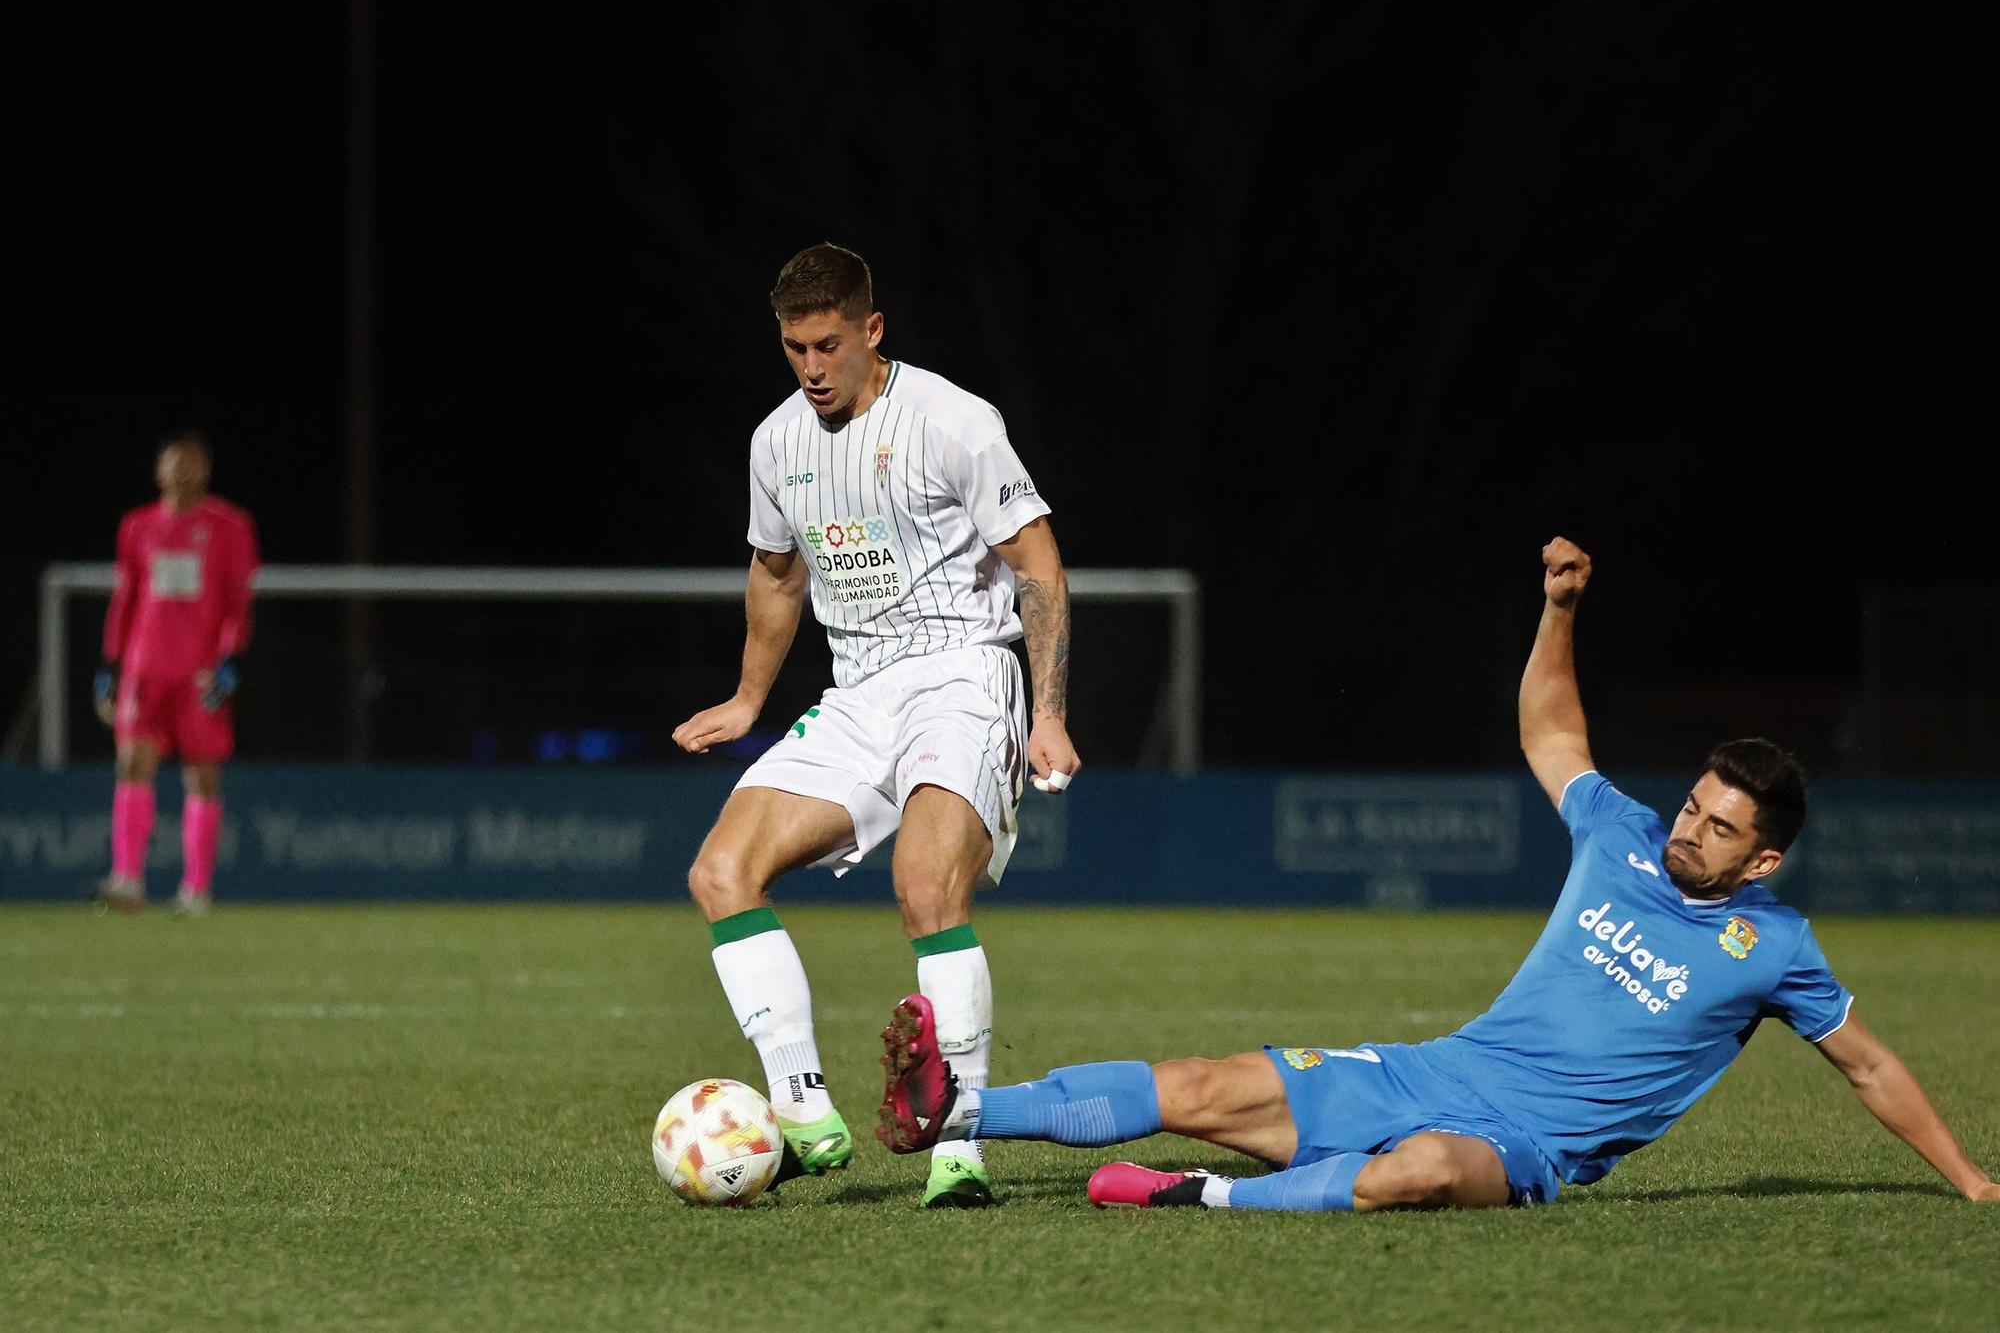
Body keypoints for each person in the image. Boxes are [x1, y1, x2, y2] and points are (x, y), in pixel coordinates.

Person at [877, 536, 1999, 1211]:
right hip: (1429, 1069)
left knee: (1414, 1177)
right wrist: (1557, 612)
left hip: (1523, 1147)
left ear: (1762, 859)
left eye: (1716, 830)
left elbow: (1866, 1068)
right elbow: (1552, 734)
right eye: (1691, 806)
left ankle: (1199, 1194)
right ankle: (951, 1109)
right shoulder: (1618, 834)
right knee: (1204, 1083)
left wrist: (1966, 1177)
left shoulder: (1779, 951)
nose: (1686, 831)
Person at [673, 243, 1080, 1208]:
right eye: (792, 348)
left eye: (826, 345)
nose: (811, 368)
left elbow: (1040, 569)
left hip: (966, 676)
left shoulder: (955, 422)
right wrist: (747, 701)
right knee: (720, 872)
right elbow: (777, 574)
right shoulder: (777, 443)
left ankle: (963, 1145)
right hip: (859, 692)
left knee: (924, 889)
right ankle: (803, 1107)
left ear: (871, 330)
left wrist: (1050, 713)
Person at [93, 431, 261, 917]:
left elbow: (237, 602)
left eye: (193, 463)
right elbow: (125, 599)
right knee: (131, 764)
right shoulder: (137, 527)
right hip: (145, 670)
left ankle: (196, 888)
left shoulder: (230, 526)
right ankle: (127, 879)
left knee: (202, 777)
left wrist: (231, 661)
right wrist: (110, 664)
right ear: (158, 471)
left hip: (200, 675)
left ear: (206, 470)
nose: (183, 471)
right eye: (174, 463)